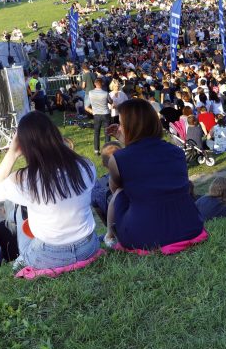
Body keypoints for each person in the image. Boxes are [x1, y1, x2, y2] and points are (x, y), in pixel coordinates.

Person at [0, 112, 99, 269]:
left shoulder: (24, 179)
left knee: (20, 211)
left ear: (23, 145)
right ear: (55, 134)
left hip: (50, 255)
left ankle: (19, 261)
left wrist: (12, 154)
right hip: (89, 247)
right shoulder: (86, 166)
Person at [104, 99, 204, 249]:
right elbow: (148, 161)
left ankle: (109, 235)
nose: (120, 128)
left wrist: (124, 143)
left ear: (130, 127)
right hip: (190, 226)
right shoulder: (177, 152)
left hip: (144, 236)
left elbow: (117, 190)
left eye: (122, 124)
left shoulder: (118, 159)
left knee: (119, 191)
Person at [90, 142, 122, 223]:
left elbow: (103, 219)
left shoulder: (97, 187)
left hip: (117, 230)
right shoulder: (136, 178)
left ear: (103, 164)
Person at [85, 78, 112, 154]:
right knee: (107, 132)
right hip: (105, 114)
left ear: (95, 84)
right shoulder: (105, 93)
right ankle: (107, 150)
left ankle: (96, 150)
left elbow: (86, 105)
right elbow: (111, 101)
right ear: (102, 84)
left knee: (96, 132)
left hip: (96, 114)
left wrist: (92, 111)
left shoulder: (90, 93)